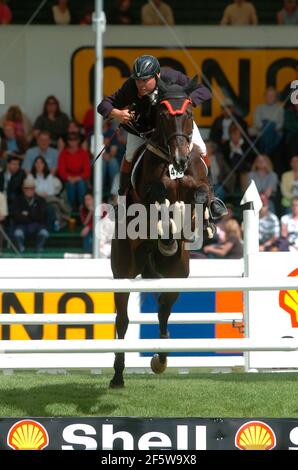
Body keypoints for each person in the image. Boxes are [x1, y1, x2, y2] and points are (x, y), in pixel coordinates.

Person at [97, 54, 227, 219]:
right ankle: (123, 202)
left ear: (157, 75)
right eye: (138, 80)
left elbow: (204, 91)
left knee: (201, 148)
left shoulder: (172, 77)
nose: (140, 85)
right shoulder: (130, 86)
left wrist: (185, 101)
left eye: (145, 80)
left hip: (176, 124)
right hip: (142, 129)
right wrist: (117, 113)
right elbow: (103, 105)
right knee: (129, 155)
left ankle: (212, 197)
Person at [31, 156, 70, 231]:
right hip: (36, 199)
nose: (39, 165)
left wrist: (43, 193)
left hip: (48, 199)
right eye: (37, 163)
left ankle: (57, 223)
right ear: (34, 165)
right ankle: (62, 213)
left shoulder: (49, 176)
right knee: (54, 203)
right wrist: (40, 194)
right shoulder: (30, 176)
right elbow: (31, 190)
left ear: (44, 165)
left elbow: (51, 191)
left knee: (53, 205)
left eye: (41, 163)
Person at [11, 176, 49, 254]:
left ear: (34, 189)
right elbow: (16, 217)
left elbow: (41, 216)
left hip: (37, 226)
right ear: (23, 189)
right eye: (26, 188)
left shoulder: (40, 200)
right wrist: (33, 215)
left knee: (44, 233)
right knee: (17, 233)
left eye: (31, 188)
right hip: (21, 226)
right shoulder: (17, 200)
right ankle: (21, 249)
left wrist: (26, 214)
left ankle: (39, 249)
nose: (29, 190)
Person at [57, 132, 91, 209]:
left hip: (81, 179)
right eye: (70, 139)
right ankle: (71, 208)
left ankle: (83, 207)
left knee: (81, 183)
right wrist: (69, 178)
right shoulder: (63, 153)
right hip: (68, 180)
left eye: (75, 139)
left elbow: (87, 171)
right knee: (71, 184)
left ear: (79, 140)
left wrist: (77, 178)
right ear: (67, 141)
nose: (72, 142)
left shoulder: (83, 153)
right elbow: (61, 171)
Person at [251, 87, 284, 156]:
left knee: (269, 125)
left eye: (272, 95)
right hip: (260, 132)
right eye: (268, 95)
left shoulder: (280, 109)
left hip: (275, 134)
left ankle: (265, 153)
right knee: (267, 125)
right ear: (265, 97)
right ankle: (268, 154)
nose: (270, 97)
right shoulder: (259, 107)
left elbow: (280, 125)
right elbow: (256, 123)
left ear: (275, 97)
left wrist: (270, 126)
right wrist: (267, 125)